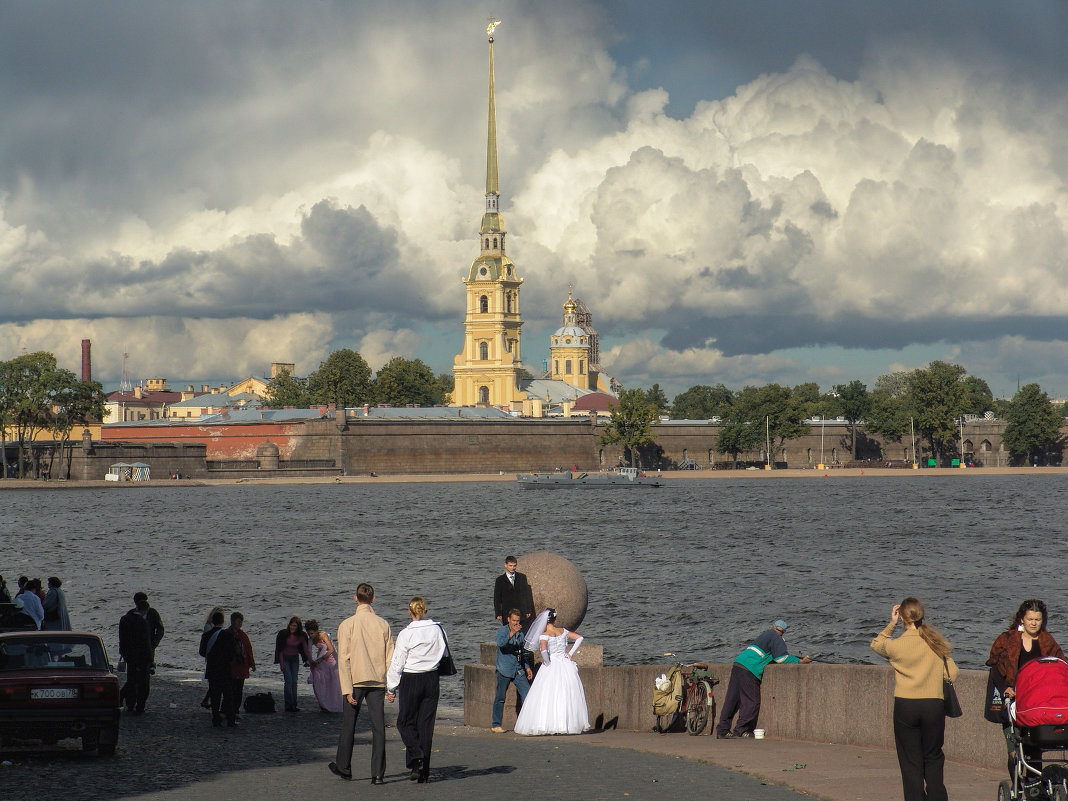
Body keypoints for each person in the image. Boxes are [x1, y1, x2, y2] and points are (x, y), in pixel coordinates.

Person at [871, 597, 958, 801]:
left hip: (906, 705)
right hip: (933, 705)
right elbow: (952, 673)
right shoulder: (936, 642)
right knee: (934, 757)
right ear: (921, 615)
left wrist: (891, 624)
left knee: (910, 761)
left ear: (901, 617)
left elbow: (876, 644)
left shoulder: (896, 646)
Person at [986, 599, 1065, 777]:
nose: (1034, 623)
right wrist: (1005, 687)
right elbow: (995, 666)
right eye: (1030, 619)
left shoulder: (1047, 641)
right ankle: (1016, 785)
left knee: (1034, 750)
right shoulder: (1008, 639)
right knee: (1014, 752)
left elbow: (1059, 666)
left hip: (1037, 701)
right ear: (1022, 619)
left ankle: (1033, 787)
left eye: (1037, 619)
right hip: (1014, 699)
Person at [330, 583, 394, 785]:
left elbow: (344, 660)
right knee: (378, 728)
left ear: (355, 598)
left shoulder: (346, 625)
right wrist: (390, 686)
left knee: (349, 725)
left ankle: (344, 767)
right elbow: (389, 657)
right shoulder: (383, 624)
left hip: (356, 680)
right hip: (377, 680)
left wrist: (347, 689)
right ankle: (378, 774)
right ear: (373, 599)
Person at [715, 619, 811, 739]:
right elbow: (781, 658)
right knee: (752, 702)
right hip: (750, 669)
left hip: (738, 664)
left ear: (772, 626)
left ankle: (722, 730)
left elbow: (767, 654)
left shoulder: (764, 635)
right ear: (783, 633)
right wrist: (800, 661)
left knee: (732, 700)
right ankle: (741, 730)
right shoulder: (777, 638)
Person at [386, 597, 447, 783]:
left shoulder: (406, 634)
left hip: (411, 678)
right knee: (425, 725)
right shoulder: (438, 629)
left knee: (405, 722)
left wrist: (391, 687)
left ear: (409, 612)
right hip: (431, 678)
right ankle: (422, 771)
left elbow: (398, 661)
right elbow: (444, 653)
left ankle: (417, 755)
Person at [514, 608, 589, 735]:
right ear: (554, 619)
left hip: (552, 663)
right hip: (565, 664)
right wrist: (569, 654)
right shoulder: (563, 631)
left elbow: (543, 650)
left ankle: (547, 723)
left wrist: (547, 661)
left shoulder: (544, 635)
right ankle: (567, 724)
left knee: (547, 694)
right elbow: (580, 638)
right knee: (567, 693)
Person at [118, 592, 164, 714]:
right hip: (143, 652)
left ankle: (131, 702)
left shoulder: (131, 616)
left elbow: (160, 629)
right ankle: (134, 703)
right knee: (140, 680)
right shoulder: (138, 616)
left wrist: (154, 643)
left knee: (134, 679)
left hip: (137, 652)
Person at [491, 608, 533, 733]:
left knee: (527, 695)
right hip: (504, 669)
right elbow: (501, 644)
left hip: (518, 669)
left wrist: (527, 667)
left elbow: (521, 651)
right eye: (514, 620)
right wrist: (512, 633)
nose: (516, 623)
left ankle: (527, 723)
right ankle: (496, 724)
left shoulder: (520, 632)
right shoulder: (502, 631)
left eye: (518, 621)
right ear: (508, 619)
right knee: (500, 697)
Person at [200, 609, 237, 727]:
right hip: (225, 669)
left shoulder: (207, 635)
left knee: (215, 696)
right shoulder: (227, 635)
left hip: (212, 668)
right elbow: (233, 653)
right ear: (222, 621)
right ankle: (231, 719)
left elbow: (202, 652)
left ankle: (216, 718)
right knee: (228, 695)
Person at [274, 615, 312, 713]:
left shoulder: (301, 636)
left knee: (294, 681)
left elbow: (306, 650)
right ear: (289, 625)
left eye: (295, 626)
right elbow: (280, 650)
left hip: (295, 659)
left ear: (298, 627)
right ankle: (288, 704)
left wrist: (311, 661)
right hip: (285, 658)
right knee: (288, 681)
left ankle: (294, 704)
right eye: (291, 625)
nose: (293, 628)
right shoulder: (284, 634)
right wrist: (281, 664)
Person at [305, 619, 343, 713]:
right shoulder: (311, 639)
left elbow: (330, 649)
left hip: (330, 660)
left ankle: (335, 704)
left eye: (312, 633)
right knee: (321, 681)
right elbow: (308, 651)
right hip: (321, 660)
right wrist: (310, 662)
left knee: (333, 683)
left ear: (316, 631)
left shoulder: (323, 635)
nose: (311, 635)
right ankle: (324, 703)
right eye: (309, 633)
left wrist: (320, 660)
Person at [228, 611, 255, 722]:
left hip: (241, 667)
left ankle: (235, 710)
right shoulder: (227, 634)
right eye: (238, 621)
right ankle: (229, 710)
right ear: (233, 621)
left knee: (239, 690)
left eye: (241, 622)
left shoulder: (243, 635)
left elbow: (248, 650)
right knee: (230, 690)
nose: (240, 624)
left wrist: (252, 663)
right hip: (231, 667)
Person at [494, 555, 534, 626]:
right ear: (505, 565)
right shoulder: (499, 580)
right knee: (509, 633)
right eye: (510, 565)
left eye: (514, 566)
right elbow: (497, 598)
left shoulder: (522, 577)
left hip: (520, 610)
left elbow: (526, 595)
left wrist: (528, 610)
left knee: (522, 632)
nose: (512, 568)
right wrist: (498, 613)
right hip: (507, 611)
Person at [200, 606, 225, 709]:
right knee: (215, 680)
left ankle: (207, 699)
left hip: (211, 656)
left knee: (214, 680)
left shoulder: (209, 626)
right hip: (212, 656)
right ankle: (207, 700)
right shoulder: (209, 627)